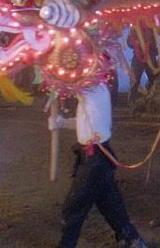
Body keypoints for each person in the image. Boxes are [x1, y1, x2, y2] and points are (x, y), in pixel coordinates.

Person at [48, 83, 147, 248]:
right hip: (95, 157)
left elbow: (92, 125)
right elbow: (86, 123)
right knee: (110, 204)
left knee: (73, 207)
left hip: (96, 159)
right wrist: (61, 123)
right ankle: (134, 241)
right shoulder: (91, 91)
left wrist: (54, 81)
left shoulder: (95, 90)